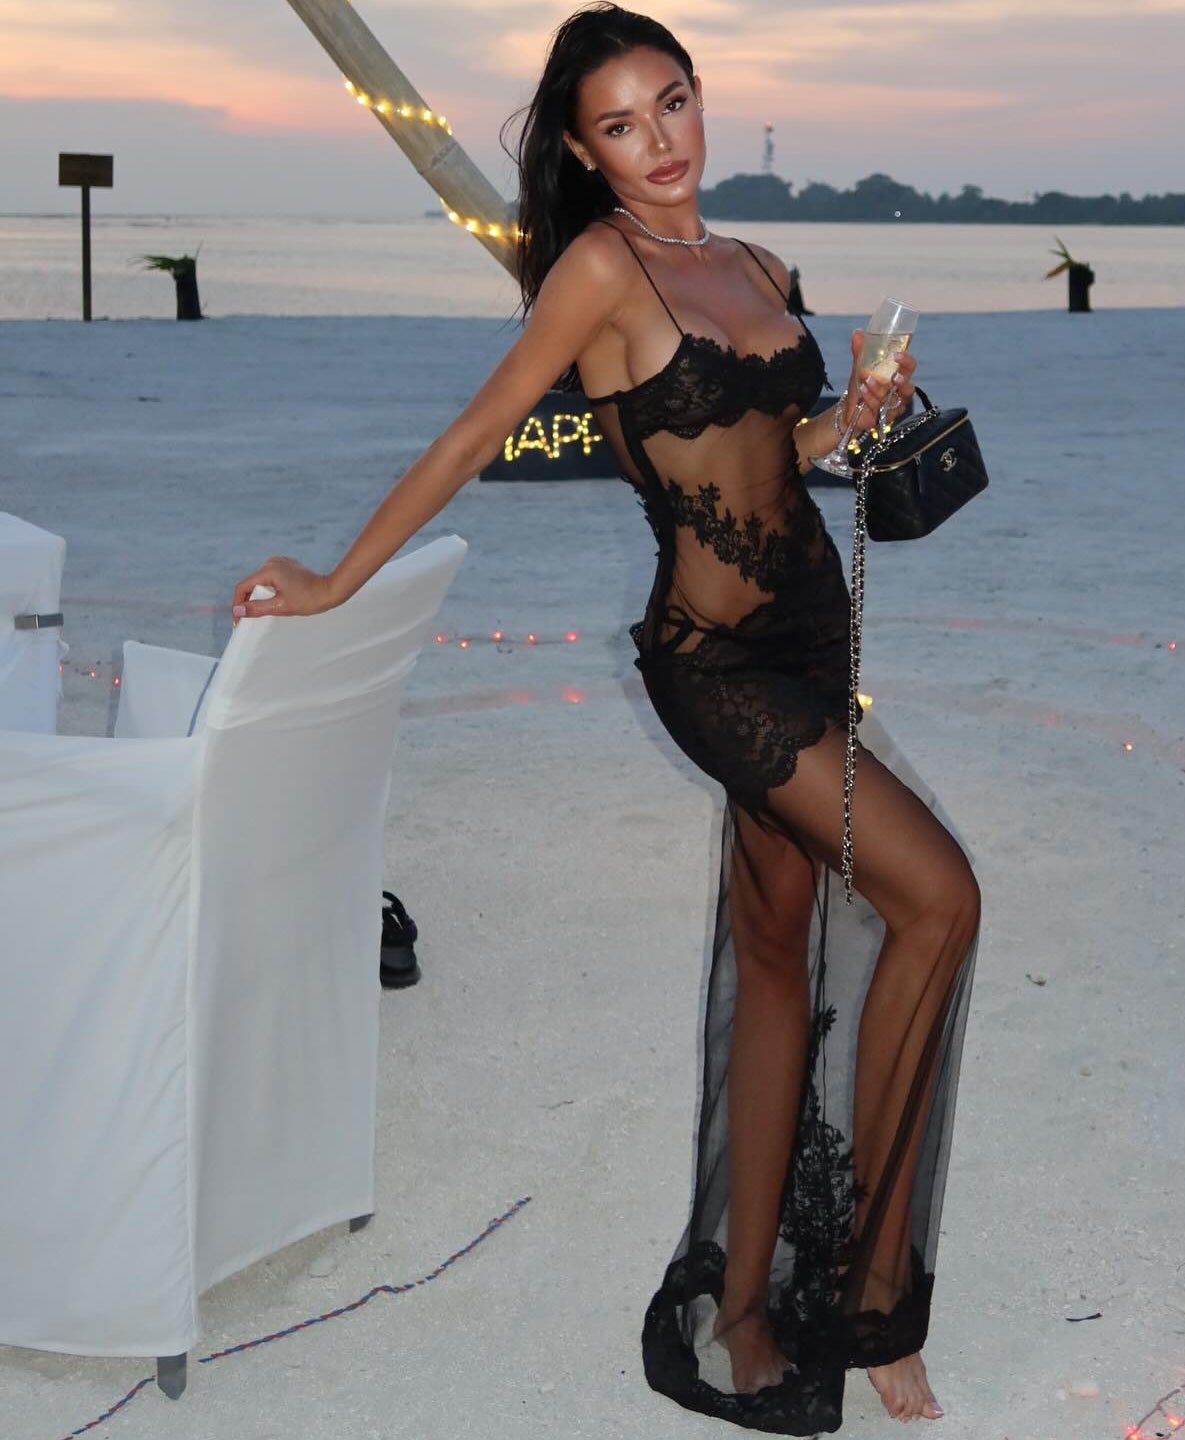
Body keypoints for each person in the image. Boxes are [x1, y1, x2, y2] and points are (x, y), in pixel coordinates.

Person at [231, 4, 981, 1430]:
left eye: (676, 104)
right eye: (624, 125)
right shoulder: (600, 267)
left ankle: (751, 1313)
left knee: (775, 962)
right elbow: (475, 432)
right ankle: (873, 1297)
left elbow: (786, 452)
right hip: (714, 665)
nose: (661, 144)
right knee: (941, 898)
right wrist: (333, 581)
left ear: (705, 100)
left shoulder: (759, 264)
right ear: (583, 150)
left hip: (818, 636)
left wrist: (860, 416)